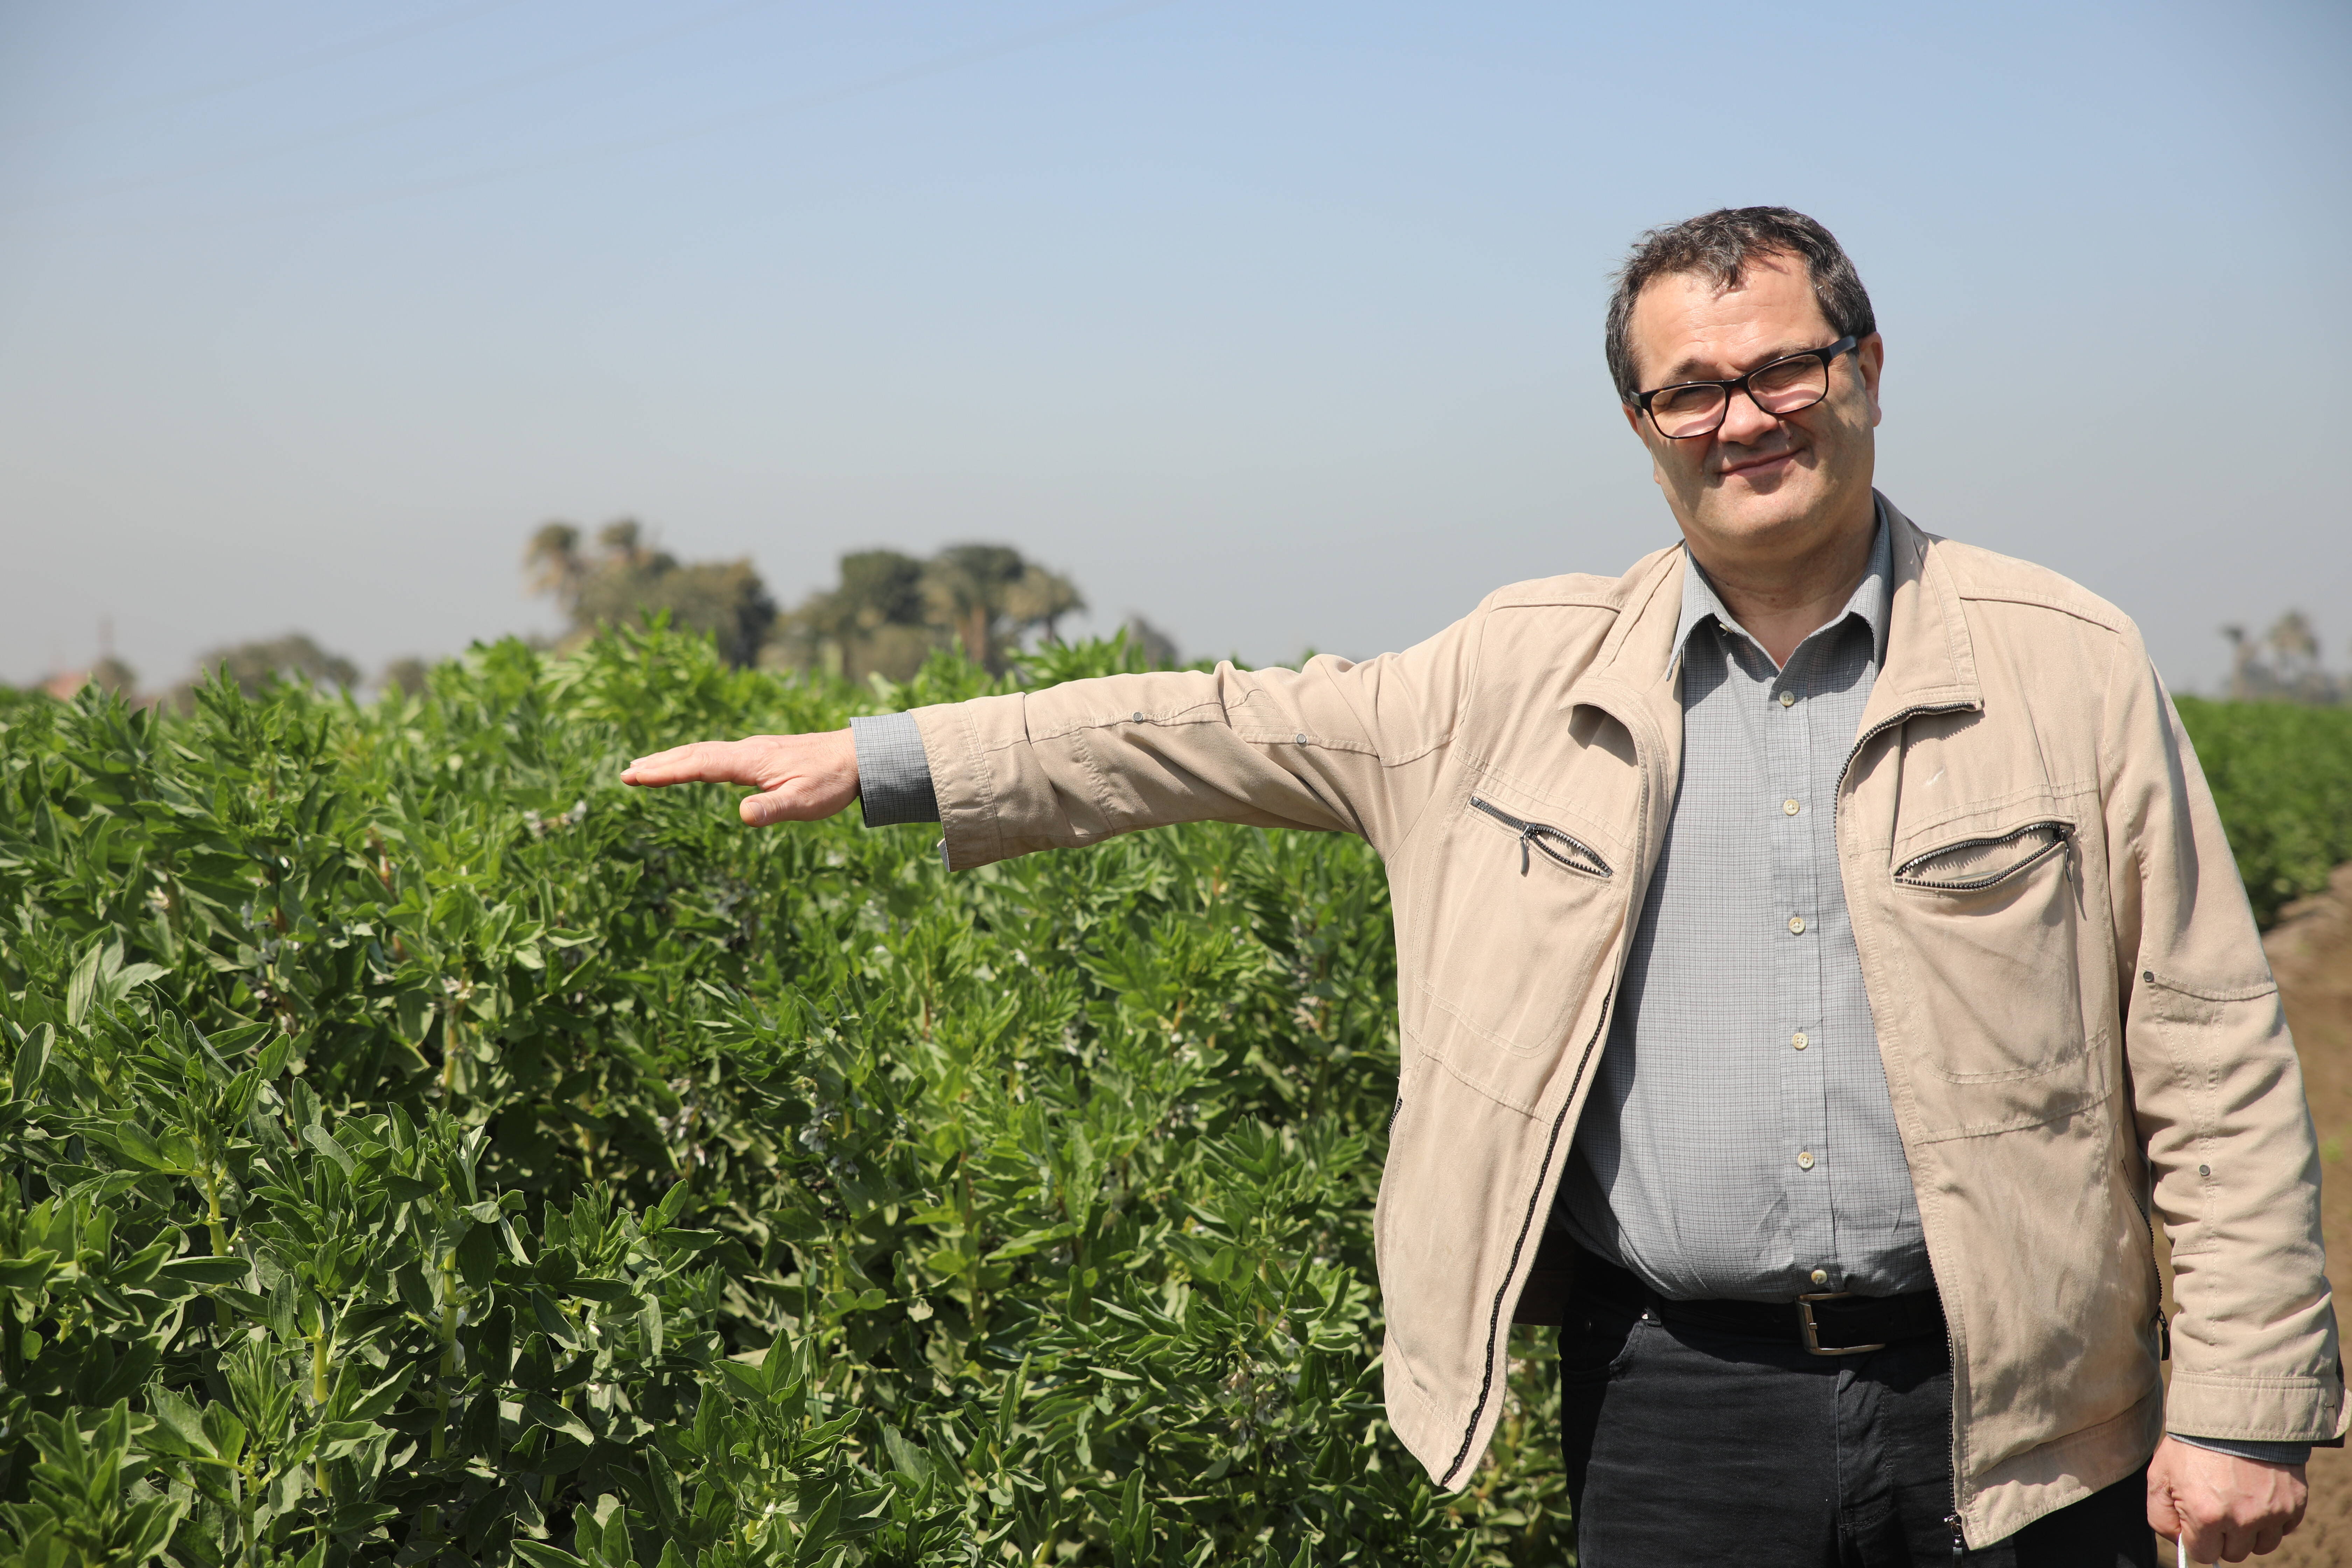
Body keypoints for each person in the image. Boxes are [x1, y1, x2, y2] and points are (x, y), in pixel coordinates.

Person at [621, 207, 2340, 1564]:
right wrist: (892, 755)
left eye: (1786, 367)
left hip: (2023, 1402)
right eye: (1692, 389)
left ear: (1868, 365)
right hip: (1675, 1403)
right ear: (1642, 425)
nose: (1744, 418)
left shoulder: (2063, 660)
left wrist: (2246, 1405)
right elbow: (1209, 725)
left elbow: (2209, 1048)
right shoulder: (1510, 675)